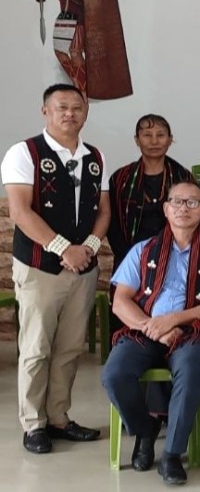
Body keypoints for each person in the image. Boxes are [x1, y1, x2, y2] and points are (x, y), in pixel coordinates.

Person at [101, 181, 200, 484]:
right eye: (177, 201)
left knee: (190, 373)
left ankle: (173, 455)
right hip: (144, 329)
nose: (184, 208)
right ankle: (145, 431)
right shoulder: (143, 249)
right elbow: (120, 301)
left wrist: (174, 319)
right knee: (114, 374)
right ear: (166, 209)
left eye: (193, 203)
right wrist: (152, 327)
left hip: (192, 331)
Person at [1, 83, 108, 454]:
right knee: (36, 348)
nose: (70, 114)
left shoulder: (95, 156)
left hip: (82, 269)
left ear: (85, 113)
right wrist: (63, 248)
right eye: (61, 107)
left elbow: (103, 209)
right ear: (45, 111)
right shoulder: (24, 152)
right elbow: (19, 211)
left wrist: (89, 248)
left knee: (69, 348)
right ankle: (34, 425)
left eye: (77, 108)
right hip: (40, 267)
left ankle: (59, 418)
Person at [109, 115, 194, 268]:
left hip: (176, 260)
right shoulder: (121, 178)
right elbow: (112, 223)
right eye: (147, 135)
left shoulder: (183, 177)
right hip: (129, 259)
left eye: (160, 135)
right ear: (137, 140)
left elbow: (194, 219)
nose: (154, 141)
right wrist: (129, 258)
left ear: (170, 139)